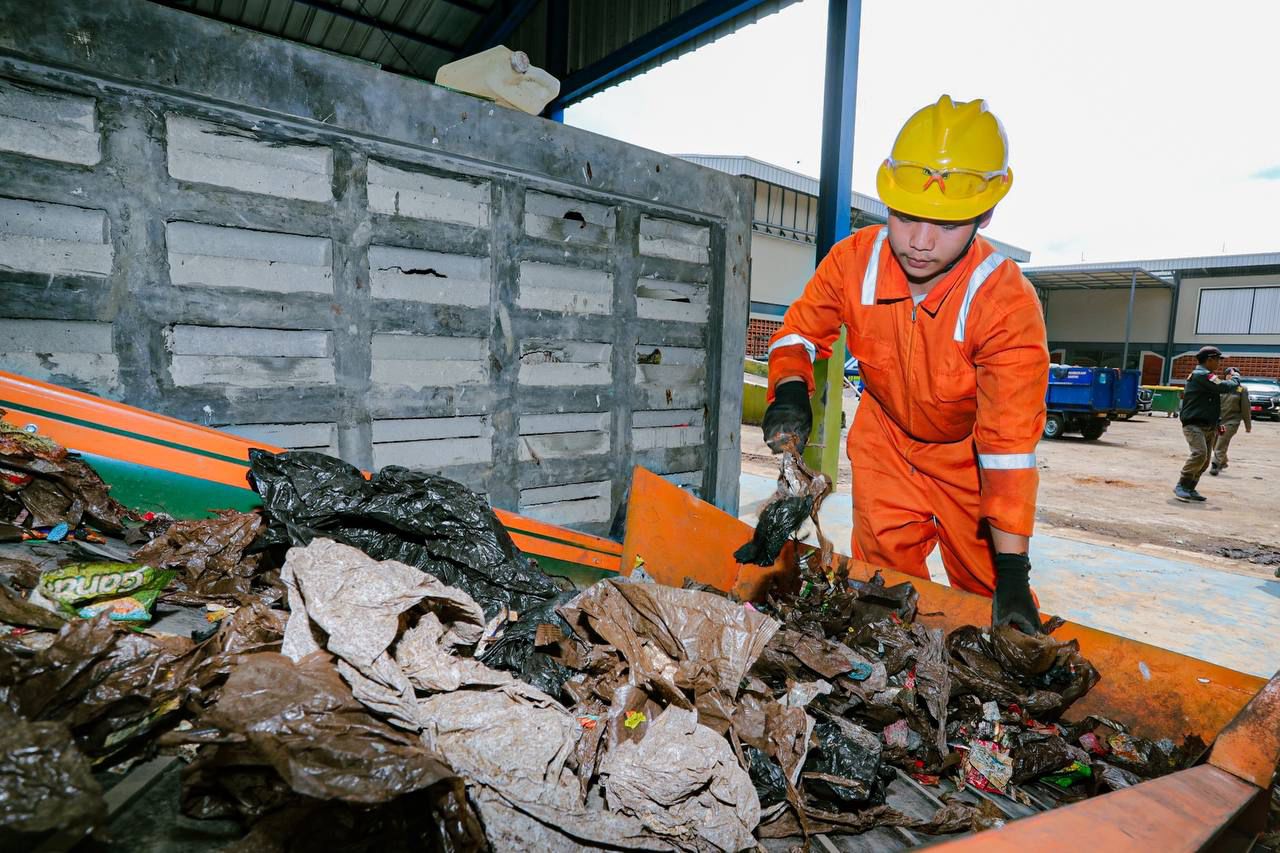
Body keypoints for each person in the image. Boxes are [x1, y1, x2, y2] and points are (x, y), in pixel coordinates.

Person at [761, 95, 1048, 634]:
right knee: (881, 590)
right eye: (905, 215)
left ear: (984, 215)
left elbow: (1008, 445)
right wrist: (791, 388)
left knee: (989, 600)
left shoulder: (1005, 302)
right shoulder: (853, 262)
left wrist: (1012, 570)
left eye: (946, 224)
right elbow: (798, 332)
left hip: (968, 460)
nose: (919, 242)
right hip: (886, 443)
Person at [1175, 346, 1241, 501]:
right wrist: (1235, 377)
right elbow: (1225, 387)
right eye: (1218, 359)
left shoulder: (1207, 376)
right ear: (1209, 360)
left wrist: (1217, 422)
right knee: (1199, 454)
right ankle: (1181, 485)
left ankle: (1190, 488)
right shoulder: (1202, 375)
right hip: (1194, 423)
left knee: (1204, 461)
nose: (1219, 363)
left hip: (1208, 424)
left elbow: (1211, 402)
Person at [1209, 366, 1251, 475]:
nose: (1231, 376)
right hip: (1218, 421)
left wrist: (1248, 425)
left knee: (1221, 441)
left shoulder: (1241, 389)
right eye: (1229, 374)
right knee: (1215, 443)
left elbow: (1245, 408)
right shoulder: (1219, 386)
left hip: (1231, 422)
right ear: (1225, 375)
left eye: (1234, 375)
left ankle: (1215, 465)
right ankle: (1223, 462)